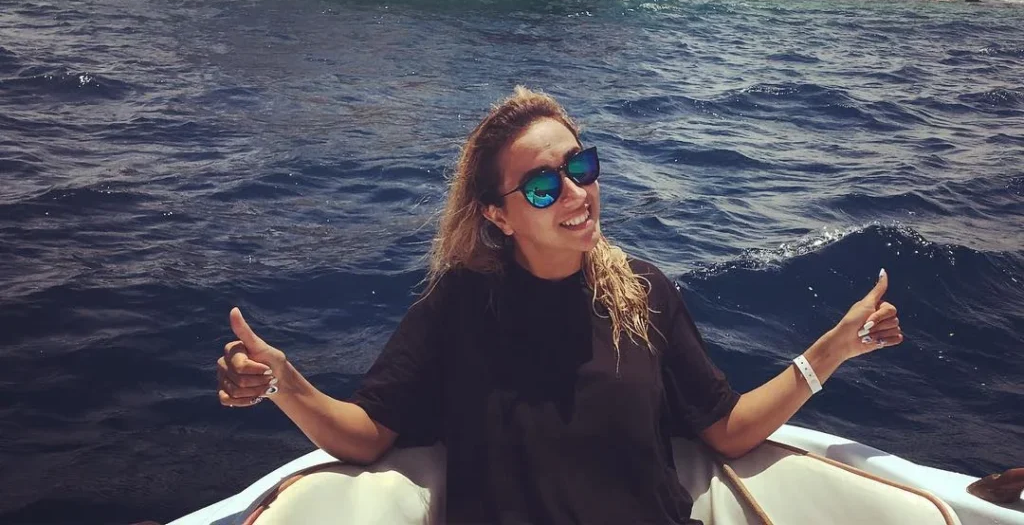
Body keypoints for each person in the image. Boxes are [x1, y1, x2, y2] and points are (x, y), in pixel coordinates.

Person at [216, 88, 903, 524]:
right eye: (543, 187)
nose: (575, 193)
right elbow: (369, 434)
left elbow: (724, 428)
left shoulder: (644, 293)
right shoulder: (461, 305)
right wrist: (283, 382)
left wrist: (831, 351)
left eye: (580, 168)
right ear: (498, 215)